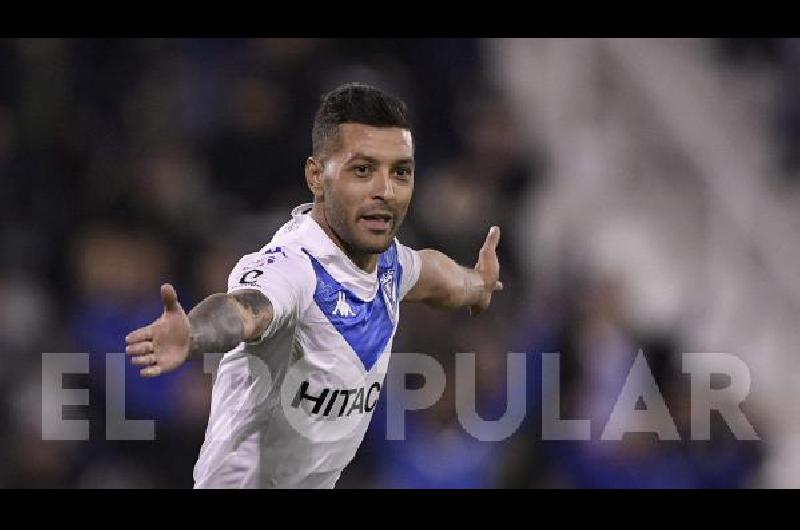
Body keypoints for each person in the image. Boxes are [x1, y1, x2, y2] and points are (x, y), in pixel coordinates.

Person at [125, 82, 503, 488]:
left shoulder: (388, 264)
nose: (385, 191)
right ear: (317, 176)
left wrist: (475, 285)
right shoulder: (292, 267)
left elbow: (429, 273)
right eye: (362, 170)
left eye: (400, 172)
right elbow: (246, 309)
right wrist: (196, 333)